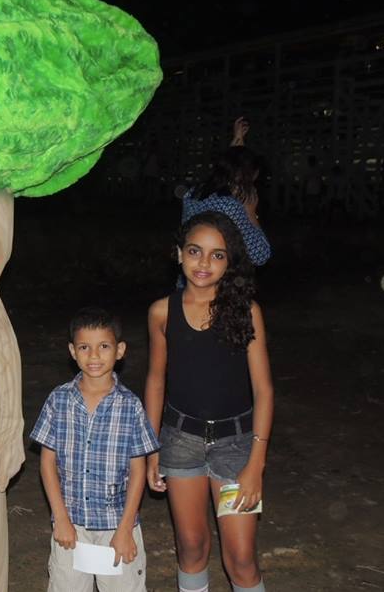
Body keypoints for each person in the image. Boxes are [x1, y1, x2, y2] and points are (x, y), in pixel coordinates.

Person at [144, 211, 274, 592]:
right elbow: (155, 380)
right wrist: (151, 447)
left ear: (230, 261)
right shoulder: (161, 311)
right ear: (179, 254)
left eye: (218, 255)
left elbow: (264, 390)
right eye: (195, 251)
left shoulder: (247, 312)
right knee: (191, 545)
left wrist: (256, 462)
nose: (204, 263)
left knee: (241, 558)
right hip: (180, 441)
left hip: (236, 447)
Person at [31, 307, 159, 592]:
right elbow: (47, 463)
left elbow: (138, 470)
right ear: (72, 351)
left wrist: (125, 529)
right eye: (84, 347)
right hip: (71, 526)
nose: (94, 356)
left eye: (103, 346)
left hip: (117, 525)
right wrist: (60, 518)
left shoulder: (130, 406)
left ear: (120, 350)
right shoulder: (59, 400)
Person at [181, 118, 271, 267]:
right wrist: (250, 213)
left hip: (190, 281)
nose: (252, 185)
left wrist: (238, 139)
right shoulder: (231, 206)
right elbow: (260, 255)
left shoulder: (192, 195)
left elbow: (230, 167)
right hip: (218, 284)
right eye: (251, 179)